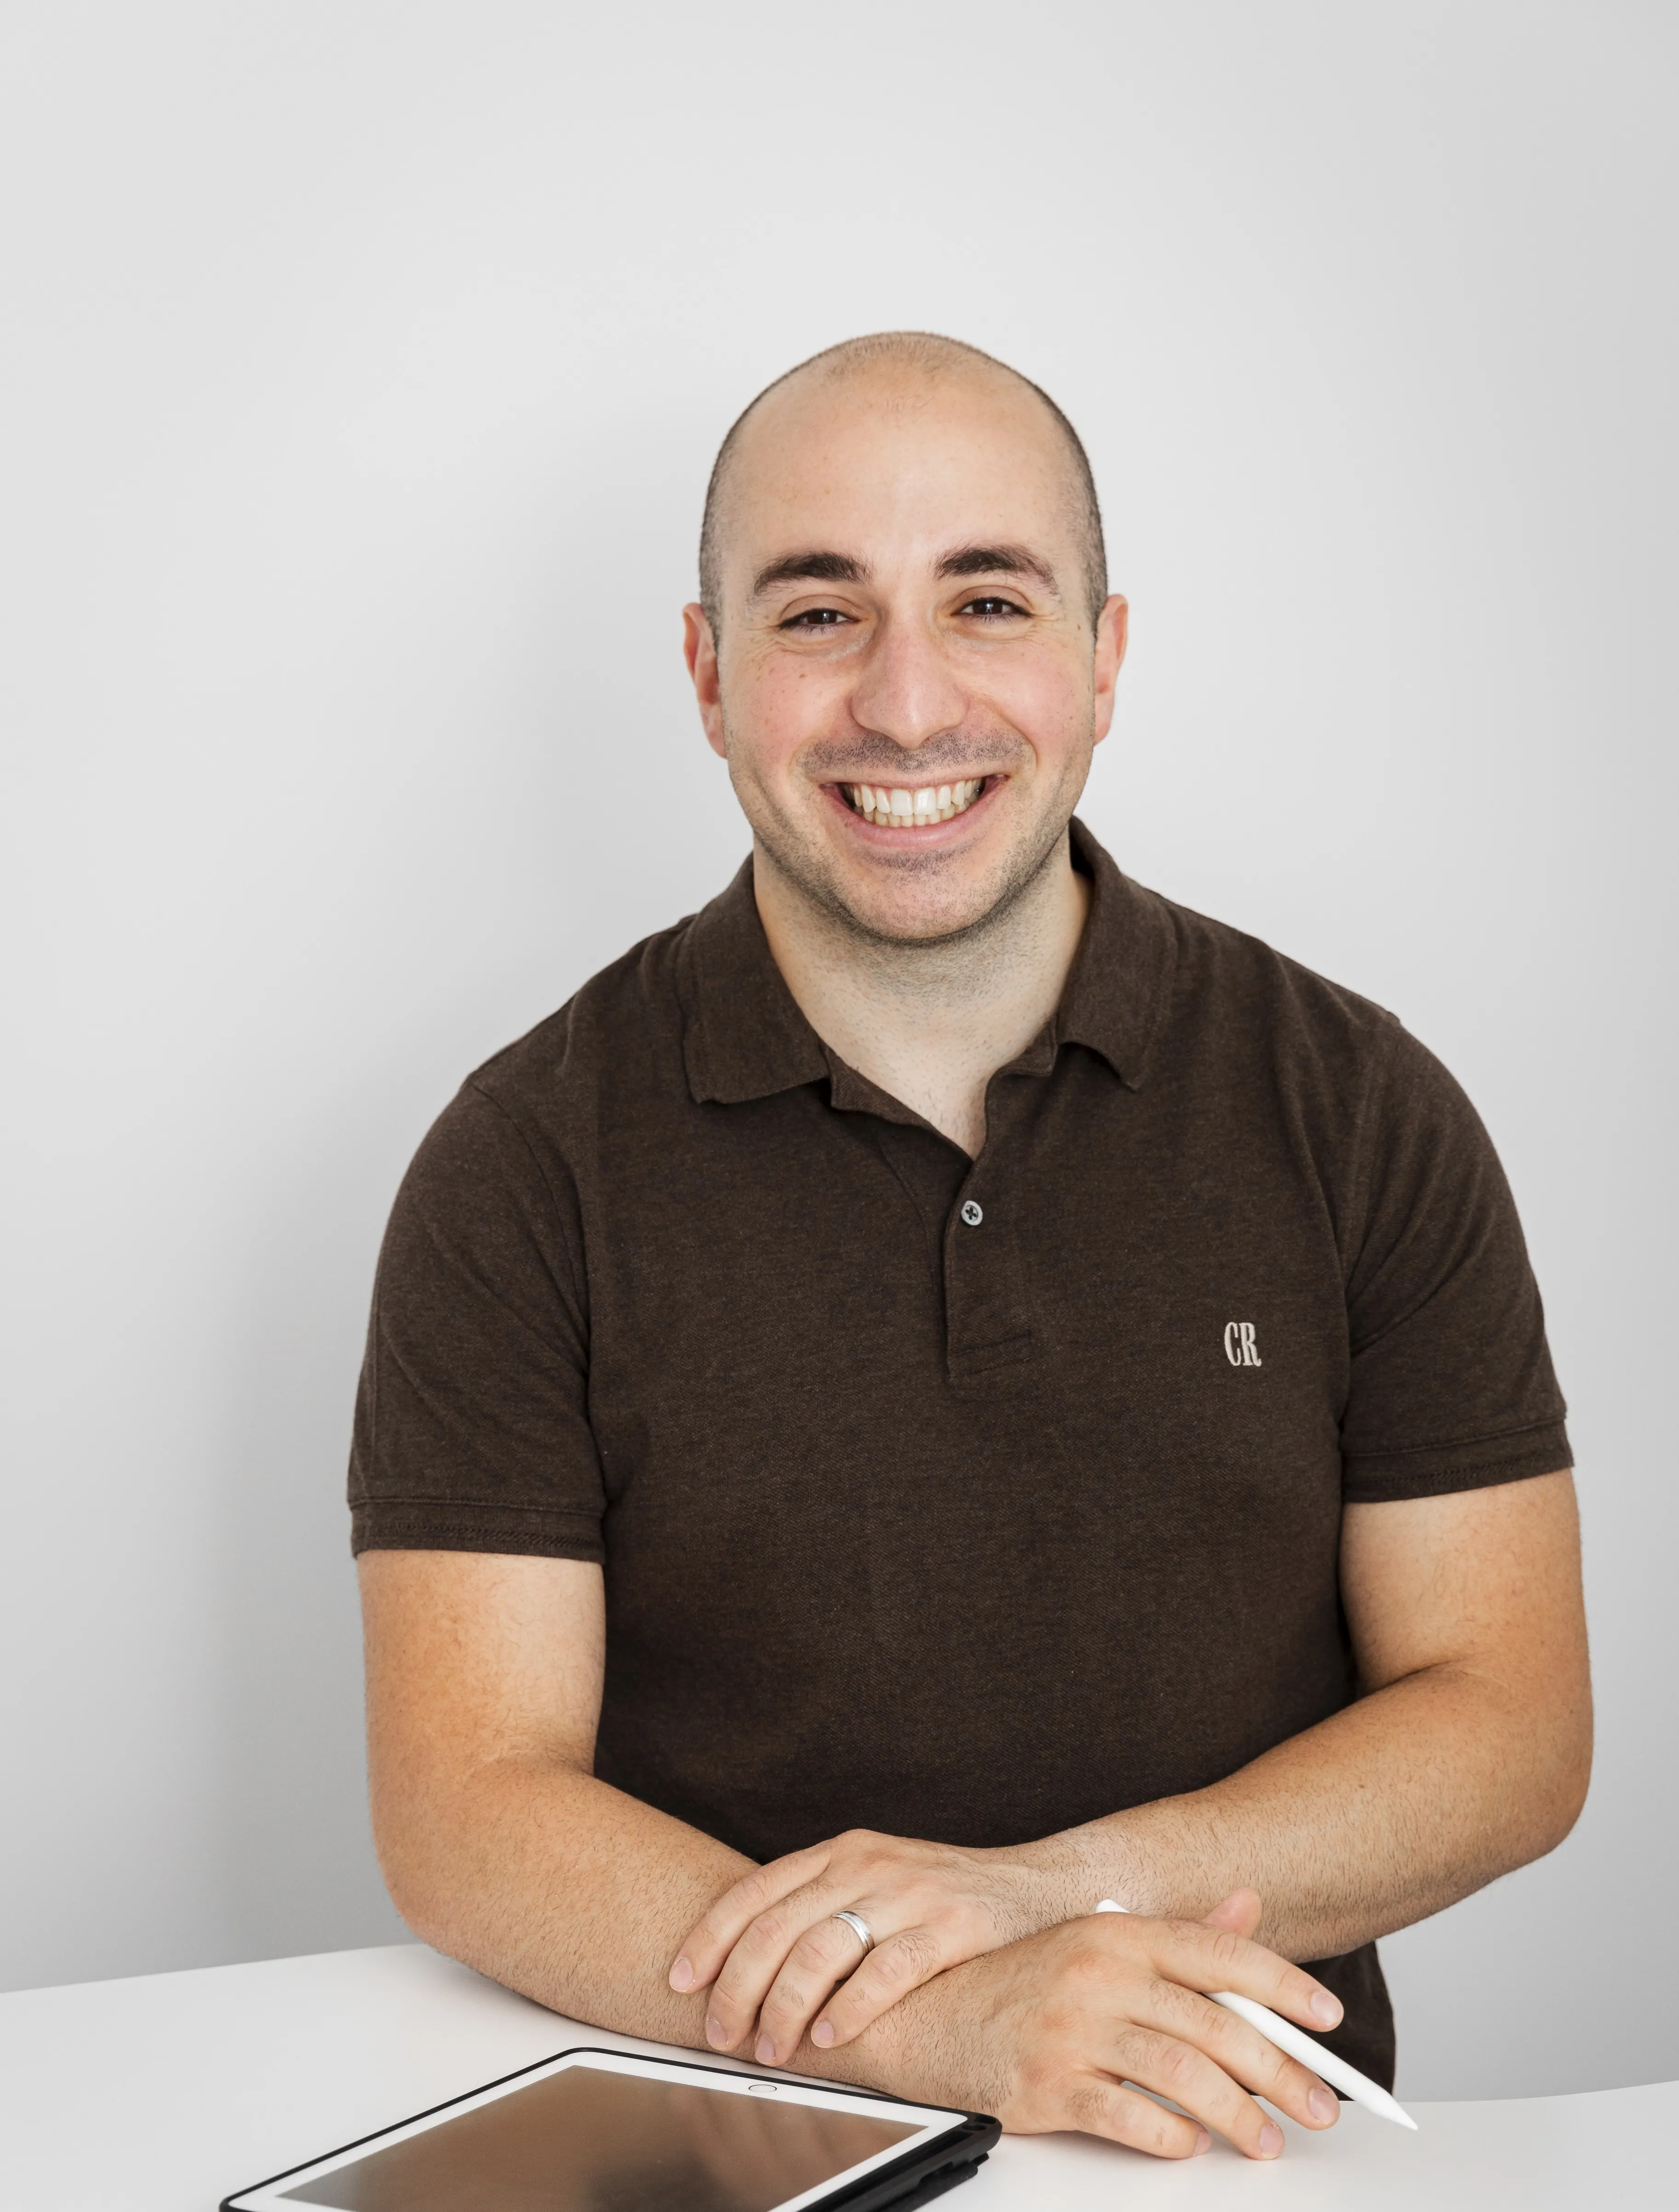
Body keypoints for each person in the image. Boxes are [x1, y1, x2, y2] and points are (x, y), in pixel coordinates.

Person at [349, 332, 1590, 2163]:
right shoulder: (523, 1162)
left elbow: (1510, 1720)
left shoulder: (1358, 1107)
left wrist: (1064, 1895)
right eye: (819, 613)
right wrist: (941, 2018)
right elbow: (468, 1801)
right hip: (726, 2150)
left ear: (1105, 660)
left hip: (1245, 2152)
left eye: (989, 601)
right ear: (707, 673)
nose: (909, 705)